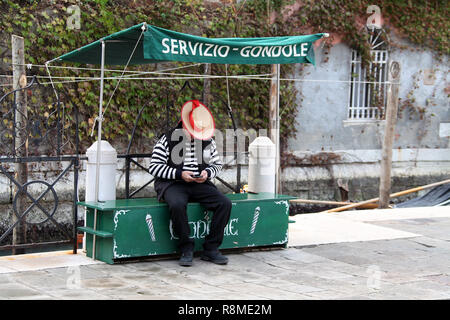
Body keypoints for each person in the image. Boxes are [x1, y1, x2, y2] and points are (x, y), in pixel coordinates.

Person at [149, 99, 232, 267]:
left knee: (225, 203)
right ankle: (186, 248)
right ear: (184, 125)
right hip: (173, 183)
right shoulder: (167, 139)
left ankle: (211, 248)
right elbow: (154, 167)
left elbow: (217, 165)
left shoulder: (208, 140)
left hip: (199, 183)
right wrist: (180, 174)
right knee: (177, 204)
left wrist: (206, 173)